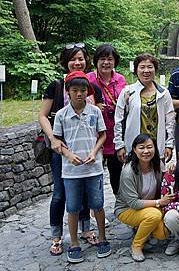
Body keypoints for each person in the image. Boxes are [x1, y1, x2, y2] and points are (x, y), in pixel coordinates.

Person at [39, 43, 103, 256]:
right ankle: (57, 236)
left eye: (81, 58)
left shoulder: (89, 86)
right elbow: (42, 115)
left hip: (86, 149)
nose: (78, 62)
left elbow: (97, 116)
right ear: (65, 61)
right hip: (62, 149)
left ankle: (85, 229)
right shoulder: (57, 85)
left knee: (84, 191)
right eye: (73, 59)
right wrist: (53, 140)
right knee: (60, 193)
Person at [52, 71, 111, 263]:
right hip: (70, 171)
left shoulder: (95, 112)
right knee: (73, 207)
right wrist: (68, 155)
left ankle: (102, 238)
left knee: (97, 204)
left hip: (94, 169)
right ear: (68, 92)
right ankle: (74, 243)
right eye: (75, 90)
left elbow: (102, 135)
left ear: (88, 91)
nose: (79, 94)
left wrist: (94, 152)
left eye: (83, 90)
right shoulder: (61, 115)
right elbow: (57, 141)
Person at [114, 134, 175, 262]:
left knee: (162, 234)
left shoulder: (157, 164)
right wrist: (159, 202)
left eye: (149, 147)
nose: (146, 151)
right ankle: (136, 245)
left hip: (149, 207)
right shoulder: (128, 172)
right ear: (135, 150)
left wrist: (171, 171)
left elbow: (166, 182)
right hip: (126, 209)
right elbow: (134, 203)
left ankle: (141, 228)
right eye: (141, 148)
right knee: (153, 216)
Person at [114, 54, 175, 170]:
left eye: (150, 67)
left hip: (157, 146)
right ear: (136, 70)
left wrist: (169, 144)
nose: (146, 71)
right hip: (135, 145)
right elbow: (119, 120)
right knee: (134, 178)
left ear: (155, 69)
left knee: (157, 181)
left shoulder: (163, 93)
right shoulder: (128, 92)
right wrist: (119, 145)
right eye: (142, 67)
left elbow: (170, 121)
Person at [87, 43, 127, 194]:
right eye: (102, 59)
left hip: (115, 133)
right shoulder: (88, 79)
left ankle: (120, 204)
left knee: (116, 172)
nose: (106, 62)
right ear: (96, 61)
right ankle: (94, 206)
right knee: (93, 173)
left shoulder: (121, 80)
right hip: (95, 135)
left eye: (109, 59)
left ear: (115, 61)